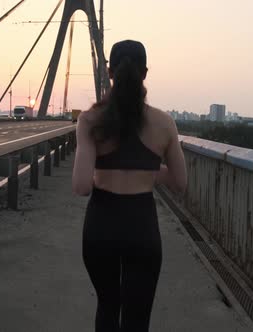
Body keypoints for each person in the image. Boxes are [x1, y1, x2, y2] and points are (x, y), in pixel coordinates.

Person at [72, 39, 187, 332]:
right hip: (142, 226)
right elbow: (179, 182)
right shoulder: (164, 123)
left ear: (109, 72)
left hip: (101, 226)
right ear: (145, 73)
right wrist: (146, 170)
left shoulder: (90, 120)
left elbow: (82, 186)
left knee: (108, 306)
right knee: (137, 318)